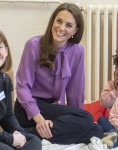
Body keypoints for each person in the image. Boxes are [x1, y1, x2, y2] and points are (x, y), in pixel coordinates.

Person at [14, 2, 106, 146]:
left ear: (75, 30)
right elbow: (22, 87)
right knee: (87, 119)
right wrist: (39, 119)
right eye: (59, 21)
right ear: (53, 21)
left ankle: (27, 134)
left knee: (96, 130)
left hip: (53, 109)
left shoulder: (77, 51)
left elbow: (75, 92)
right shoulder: (33, 45)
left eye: (69, 25)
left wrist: (77, 119)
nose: (61, 28)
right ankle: (30, 133)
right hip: (28, 108)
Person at [0, 30, 42, 150]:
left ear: (6, 51)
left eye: (0, 47)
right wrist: (11, 139)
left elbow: (7, 115)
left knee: (33, 141)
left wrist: (19, 133)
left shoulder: (4, 80)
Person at [99, 50, 118, 148]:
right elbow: (103, 103)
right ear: (114, 73)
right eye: (117, 75)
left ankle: (113, 138)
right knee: (101, 120)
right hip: (112, 123)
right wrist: (115, 91)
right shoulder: (111, 85)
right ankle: (113, 136)